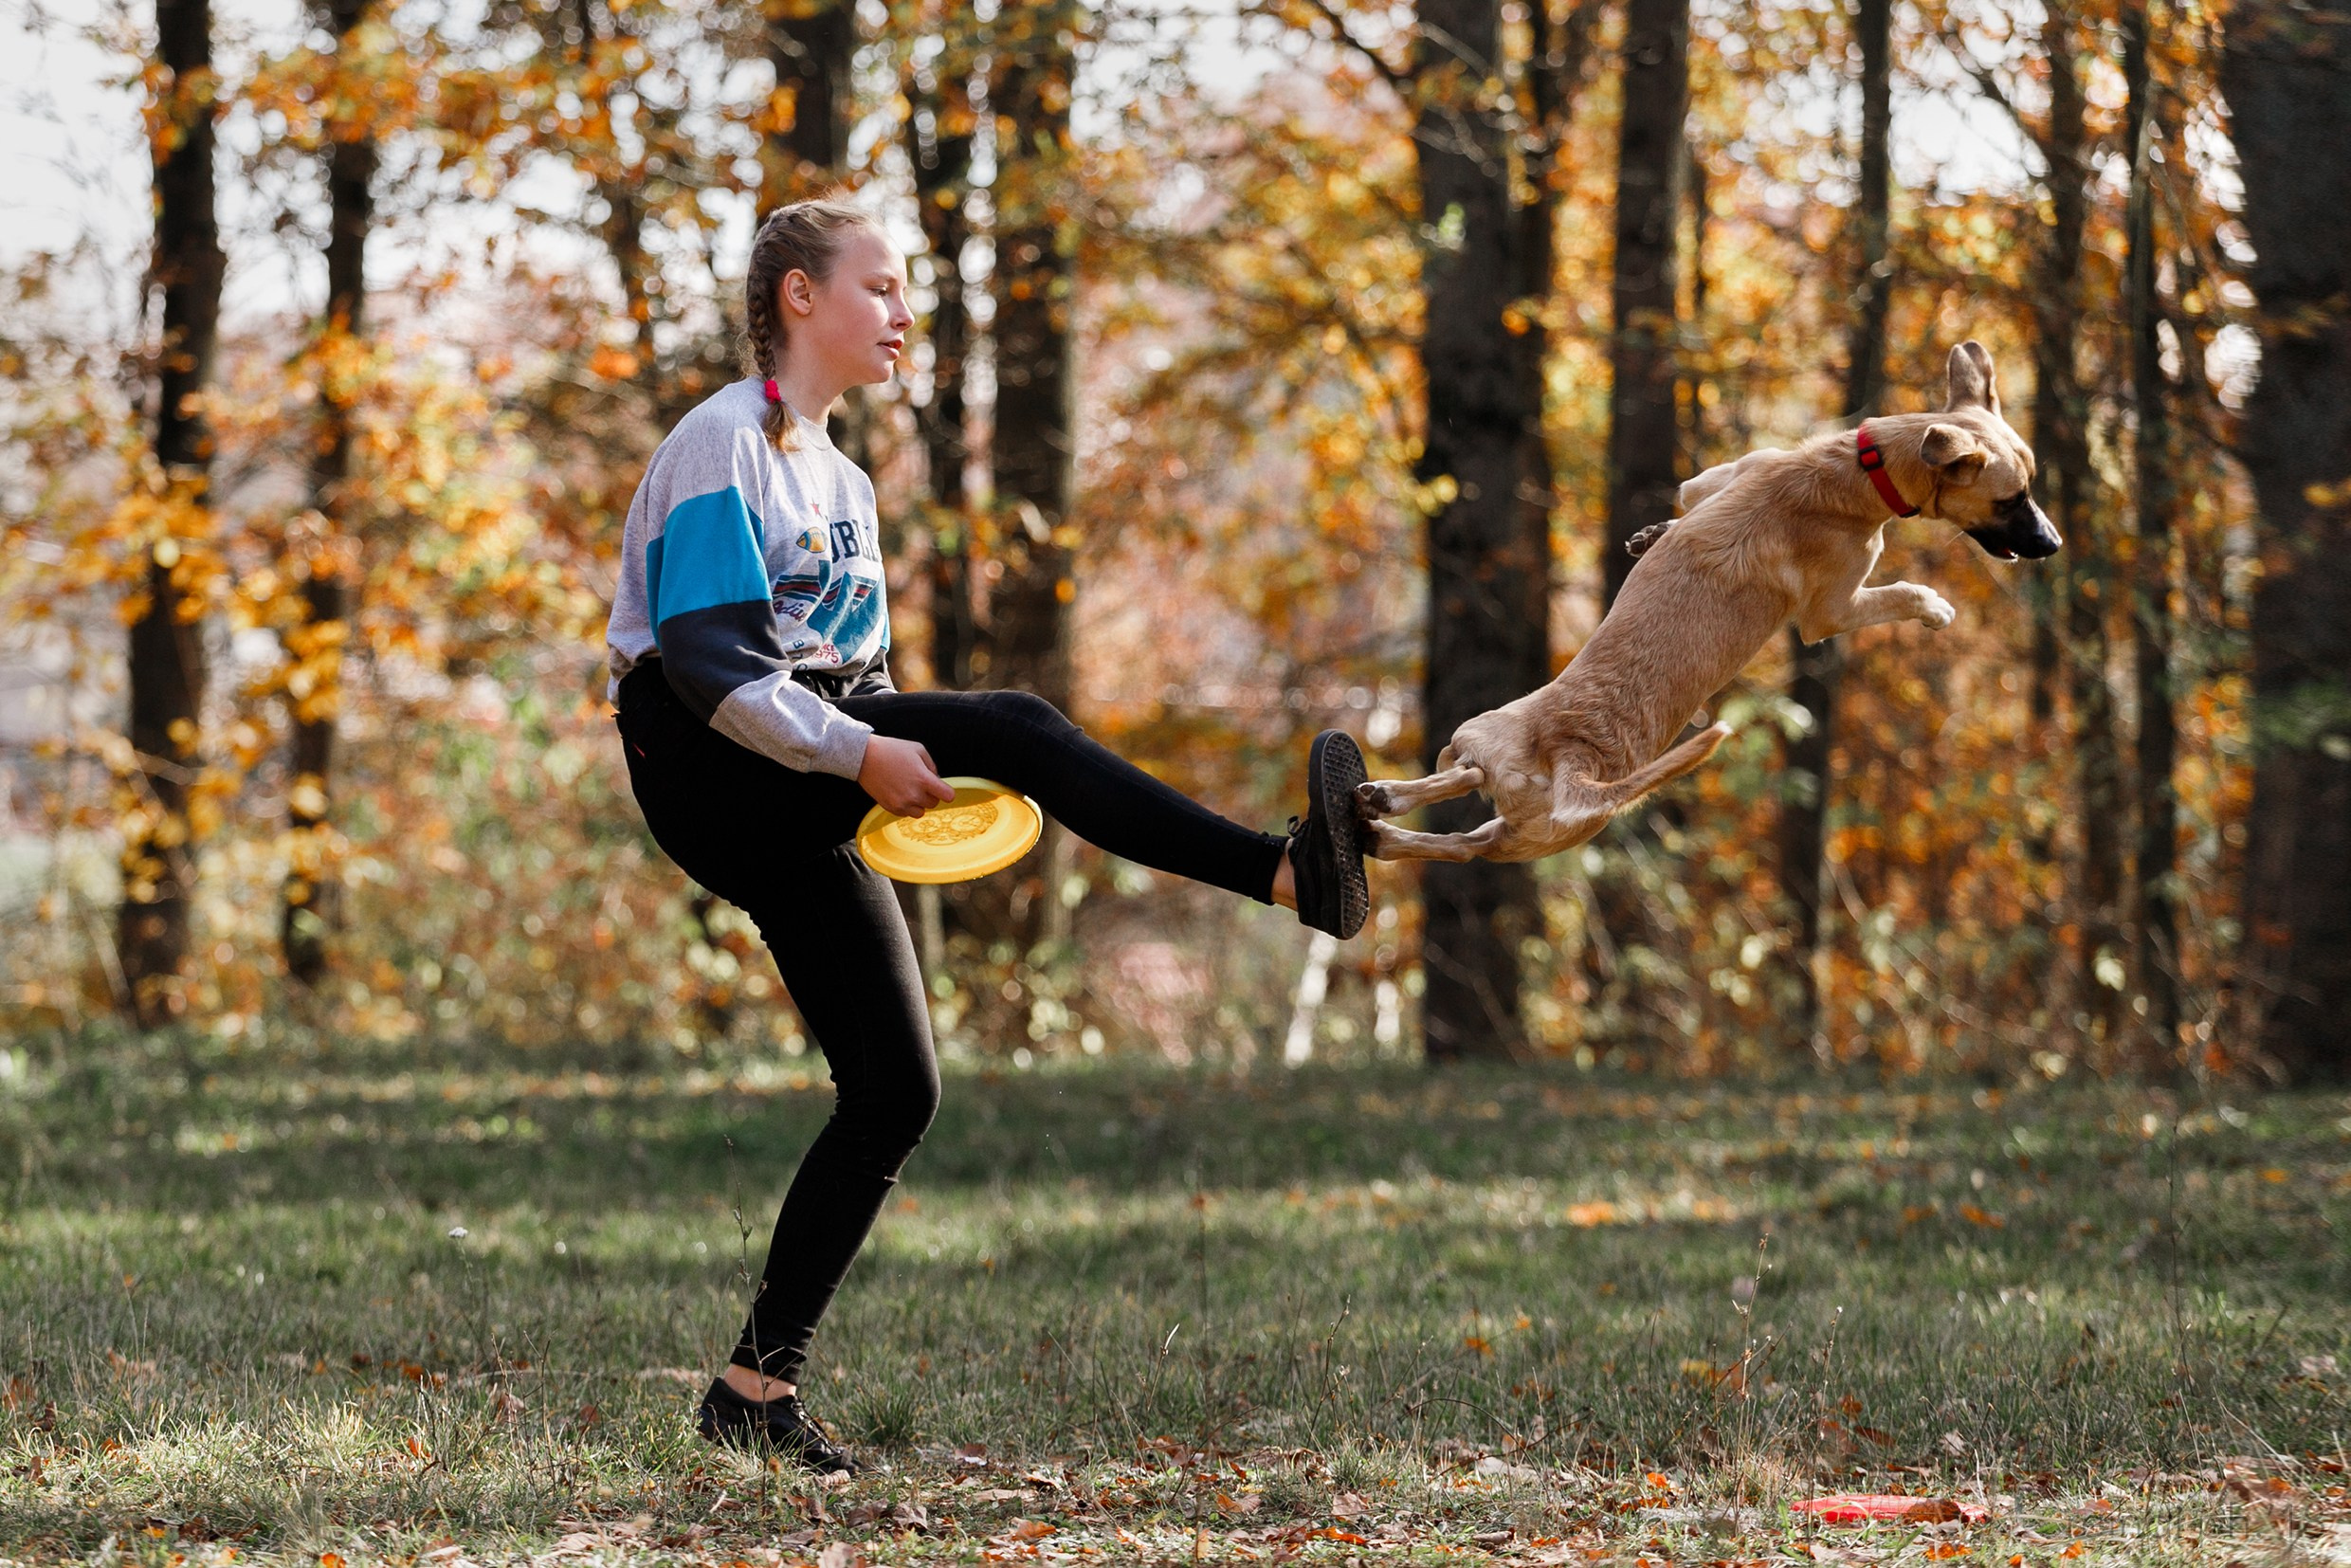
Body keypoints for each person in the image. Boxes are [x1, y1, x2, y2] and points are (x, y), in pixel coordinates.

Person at [604, 196, 1372, 1472]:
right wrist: (865, 753)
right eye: (883, 288)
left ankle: (751, 1387)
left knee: (897, 1089)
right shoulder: (722, 444)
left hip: (795, 764)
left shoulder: (842, 482)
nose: (906, 315)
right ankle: (1287, 871)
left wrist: (898, 769)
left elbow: (860, 685)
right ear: (801, 298)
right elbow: (711, 667)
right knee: (1013, 718)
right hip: (701, 753)